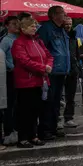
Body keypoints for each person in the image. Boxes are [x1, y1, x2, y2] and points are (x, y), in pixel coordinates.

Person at [12, 17, 53, 148]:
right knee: (25, 111)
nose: (34, 28)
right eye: (31, 26)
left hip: (40, 80)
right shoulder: (19, 43)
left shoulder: (38, 41)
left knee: (36, 110)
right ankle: (23, 137)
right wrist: (43, 68)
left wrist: (48, 66)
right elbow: (23, 61)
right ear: (23, 29)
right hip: (26, 82)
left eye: (35, 26)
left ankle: (33, 135)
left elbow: (49, 56)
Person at [37, 6, 70, 140]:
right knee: (48, 101)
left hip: (61, 71)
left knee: (56, 101)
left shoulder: (61, 30)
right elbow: (41, 49)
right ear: (55, 15)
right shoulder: (46, 29)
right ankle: (45, 130)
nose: (65, 15)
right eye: (63, 13)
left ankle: (53, 127)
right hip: (52, 71)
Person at [0, 16, 19, 145]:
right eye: (13, 24)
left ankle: (15, 128)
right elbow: (1, 55)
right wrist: (11, 66)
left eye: (17, 23)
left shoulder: (19, 39)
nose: (16, 26)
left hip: (19, 74)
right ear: (7, 26)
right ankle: (8, 130)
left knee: (17, 103)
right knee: (10, 104)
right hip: (10, 74)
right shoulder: (6, 40)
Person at [63, 17, 81, 128]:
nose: (68, 26)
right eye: (66, 24)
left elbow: (77, 54)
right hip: (61, 70)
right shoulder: (59, 36)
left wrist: (77, 67)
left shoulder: (74, 38)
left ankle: (69, 117)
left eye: (70, 24)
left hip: (73, 70)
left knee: (70, 96)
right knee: (56, 97)